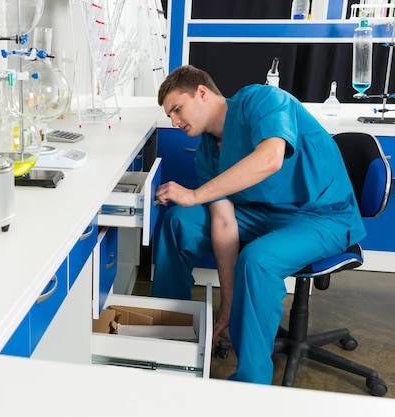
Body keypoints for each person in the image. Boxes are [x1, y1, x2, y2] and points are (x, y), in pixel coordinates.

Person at [151, 65, 366, 384]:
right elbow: (223, 222)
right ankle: (171, 340)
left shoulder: (263, 100)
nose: (174, 121)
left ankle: (252, 384)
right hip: (258, 214)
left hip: (321, 215)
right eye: (170, 115)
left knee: (258, 261)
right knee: (179, 221)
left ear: (202, 92)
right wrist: (227, 302)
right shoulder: (207, 153)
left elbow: (270, 158)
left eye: (177, 109)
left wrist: (195, 195)